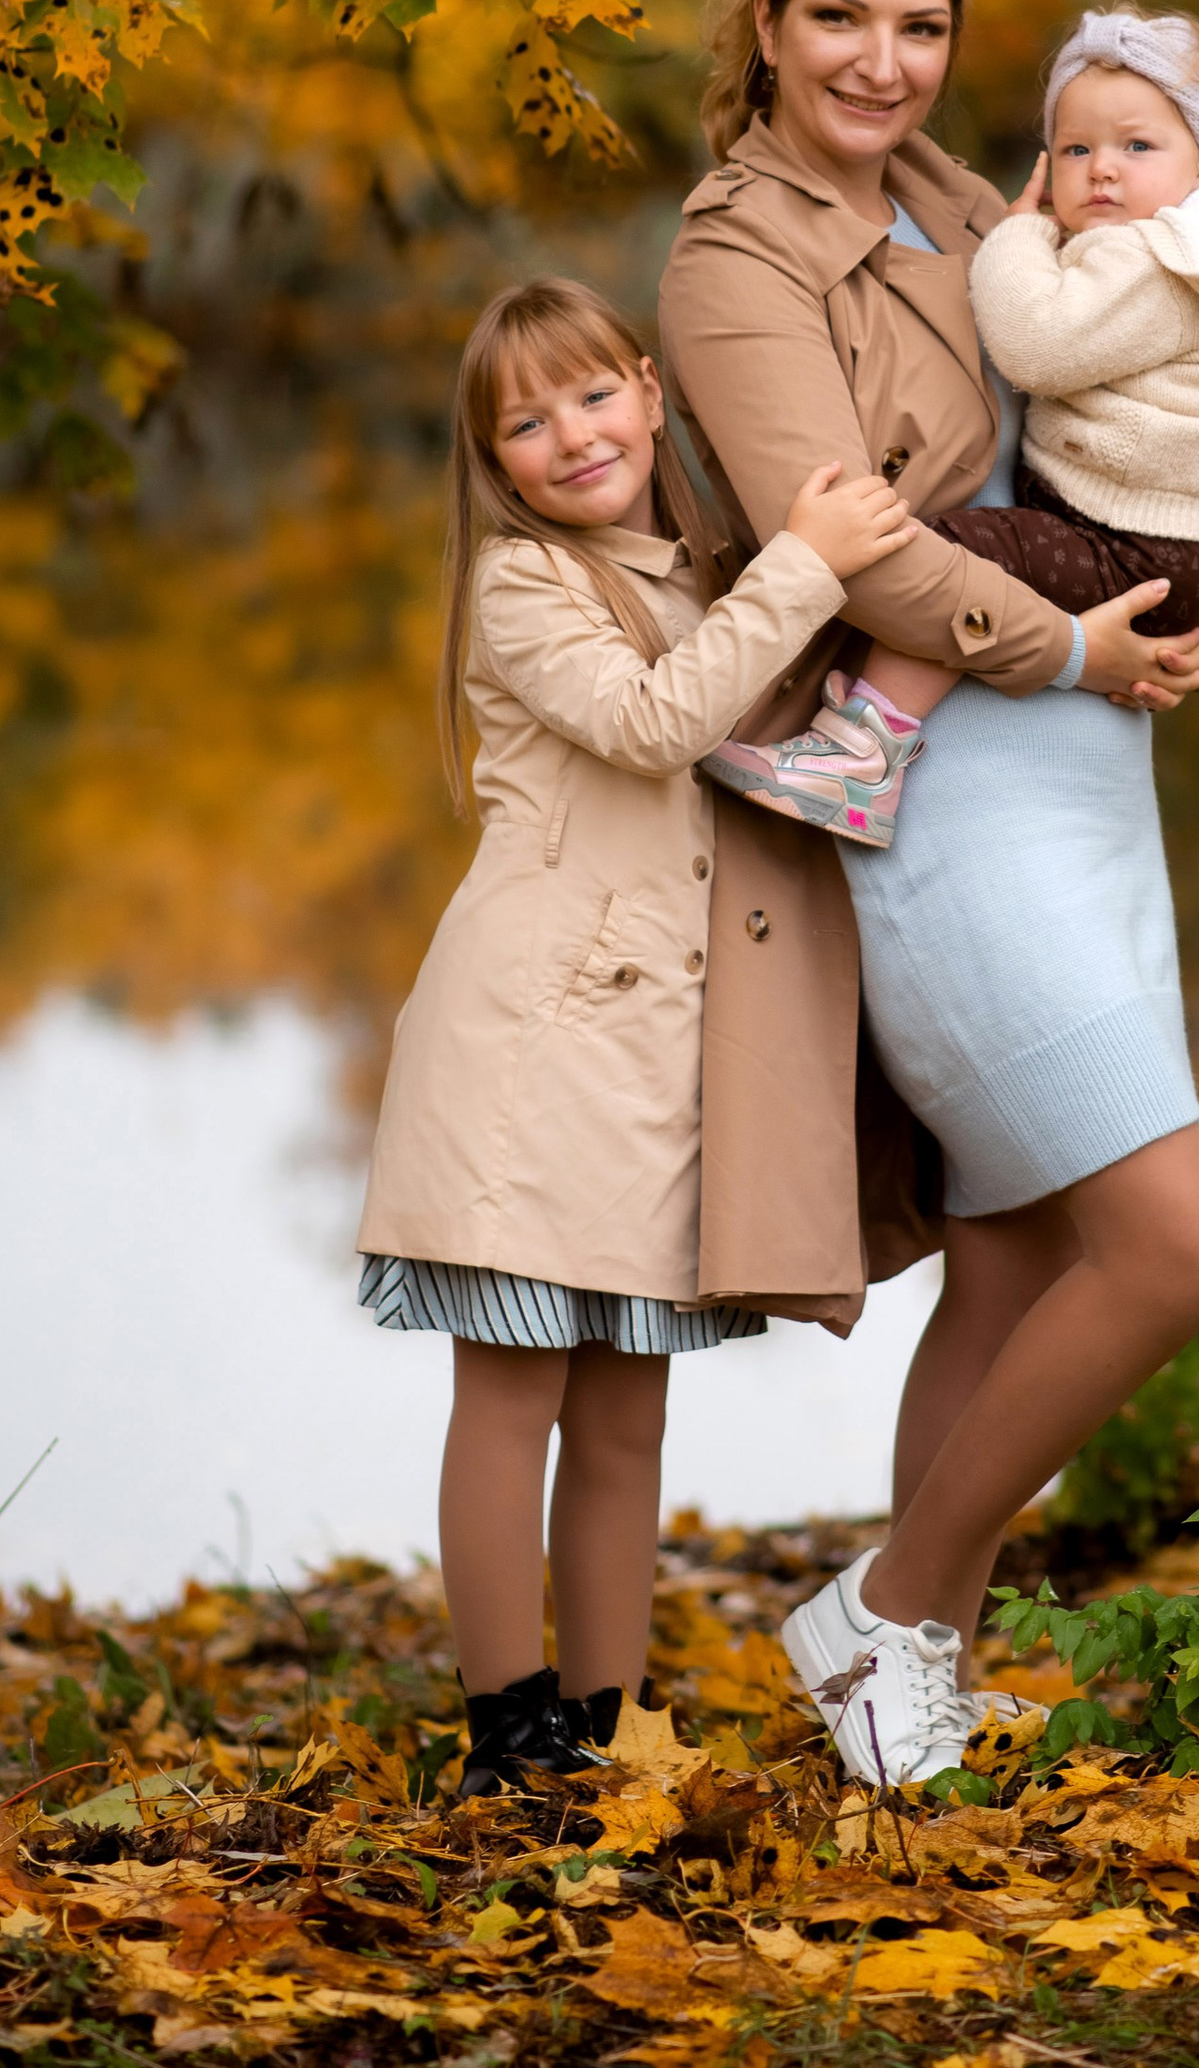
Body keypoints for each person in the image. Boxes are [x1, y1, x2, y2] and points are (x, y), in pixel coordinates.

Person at [654, 0, 1199, 1794]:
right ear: (766, 18)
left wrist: (1182, 616)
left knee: (1008, 1267)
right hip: (930, 789)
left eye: (919, 25)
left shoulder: (969, 206)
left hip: (1082, 773)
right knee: (1174, 1247)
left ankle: (909, 1722)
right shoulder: (733, 263)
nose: (879, 60)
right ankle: (889, 1606)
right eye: (839, 16)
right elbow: (847, 543)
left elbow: (1111, 430)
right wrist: (1068, 643)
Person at [355, 275, 914, 1797]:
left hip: (658, 1064)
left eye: (595, 393)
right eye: (525, 422)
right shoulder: (526, 584)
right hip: (529, 1053)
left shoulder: (708, 571)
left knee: (625, 1413)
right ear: (493, 459)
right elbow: (658, 719)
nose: (573, 435)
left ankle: (602, 1727)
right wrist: (805, 562)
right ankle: (505, 1727)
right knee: (511, 1398)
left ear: (654, 393)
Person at [702, 2, 1199, 846]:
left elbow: (1037, 345)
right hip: (1167, 551)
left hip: (1122, 547)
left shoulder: (1158, 259)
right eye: (1076, 149)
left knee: (958, 554)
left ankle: (864, 754)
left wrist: (1019, 237)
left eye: (1137, 146)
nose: (1102, 169)